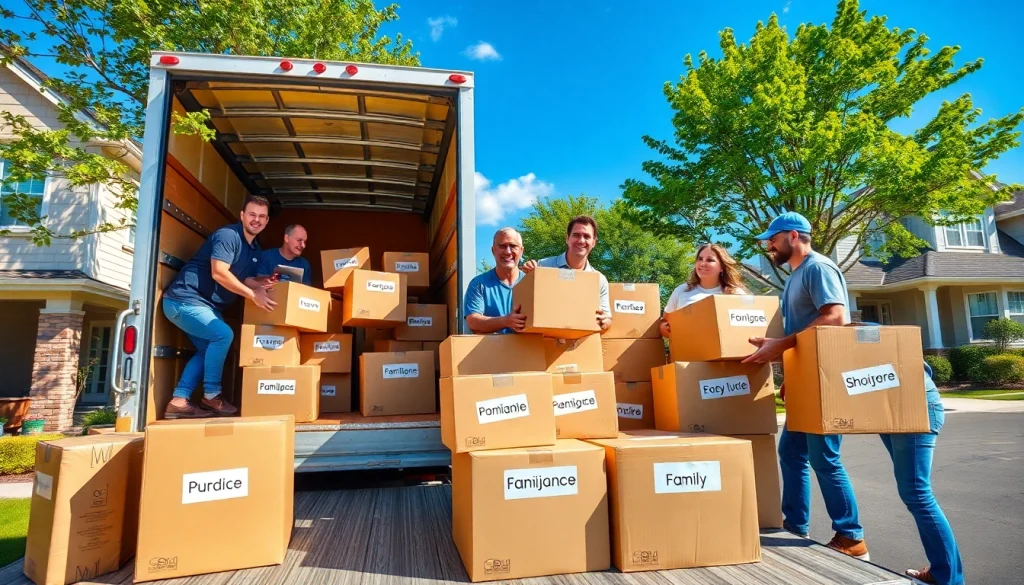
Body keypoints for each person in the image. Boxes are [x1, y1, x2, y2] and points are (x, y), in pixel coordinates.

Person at [741, 211, 869, 560]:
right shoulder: (797, 275)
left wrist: (778, 346)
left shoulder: (818, 267)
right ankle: (796, 525)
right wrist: (792, 374)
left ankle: (851, 536)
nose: (768, 245)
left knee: (825, 458)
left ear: (793, 236)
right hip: (807, 378)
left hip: (824, 379)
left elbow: (835, 317)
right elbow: (805, 330)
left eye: (773, 238)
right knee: (792, 453)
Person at [161, 195, 277, 419]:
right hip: (183, 300)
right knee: (223, 335)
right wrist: (253, 295)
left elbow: (245, 279)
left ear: (267, 221)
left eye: (262, 217)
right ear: (242, 216)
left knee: (207, 349)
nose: (256, 220)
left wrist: (264, 284)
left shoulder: (254, 249)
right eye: (252, 214)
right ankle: (212, 395)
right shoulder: (228, 236)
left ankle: (178, 401)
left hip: (204, 306)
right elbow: (219, 272)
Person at [521, 215, 612, 331]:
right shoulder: (543, 267)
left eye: (587, 236)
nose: (581, 240)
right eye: (576, 235)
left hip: (580, 345)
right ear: (567, 238)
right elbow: (525, 307)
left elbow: (608, 318)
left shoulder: (600, 280)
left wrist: (605, 322)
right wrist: (527, 275)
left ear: (594, 242)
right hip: (546, 342)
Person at [660, 243, 747, 337]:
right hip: (688, 350)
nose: (702, 263)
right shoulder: (681, 290)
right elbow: (665, 322)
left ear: (722, 267)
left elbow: (747, 327)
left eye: (710, 260)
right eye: (700, 259)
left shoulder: (736, 293)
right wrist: (665, 328)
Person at [464, 227, 527, 334]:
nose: (507, 252)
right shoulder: (478, 284)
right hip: (492, 350)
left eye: (513, 246)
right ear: (493, 250)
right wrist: (506, 321)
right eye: (502, 246)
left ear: (521, 251)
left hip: (528, 349)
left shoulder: (530, 283)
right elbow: (473, 322)